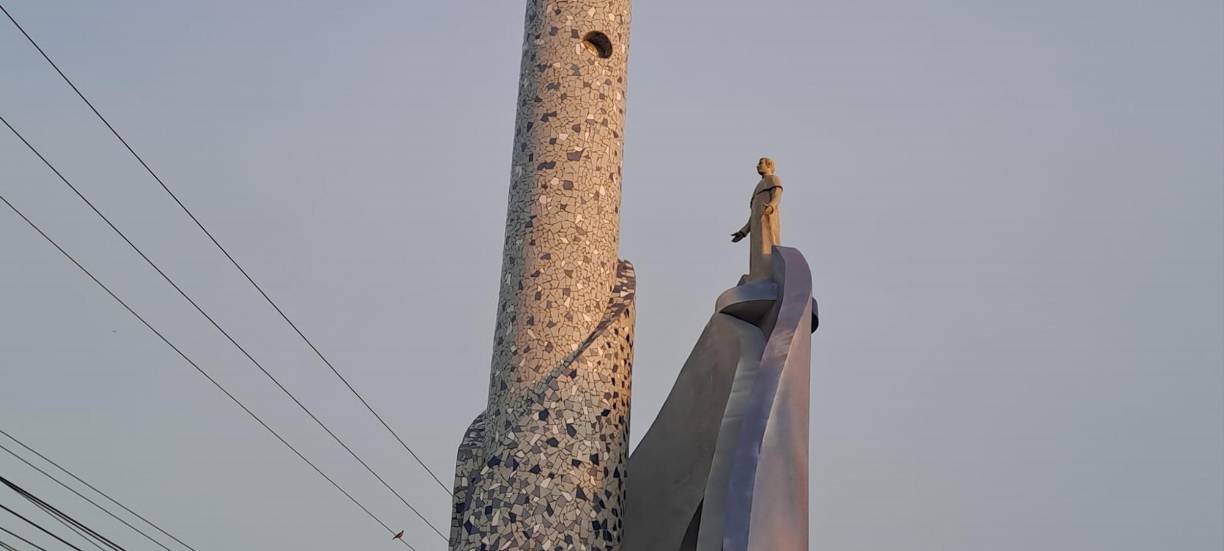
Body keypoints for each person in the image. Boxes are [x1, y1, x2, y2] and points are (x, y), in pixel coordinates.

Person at [731, 157, 783, 281]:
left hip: (767, 221)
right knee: (756, 252)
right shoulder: (759, 186)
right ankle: (757, 276)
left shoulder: (773, 179)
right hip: (756, 226)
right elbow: (753, 215)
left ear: (769, 165)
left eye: (761, 163)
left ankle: (769, 275)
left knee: (767, 247)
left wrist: (771, 206)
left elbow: (777, 196)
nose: (757, 166)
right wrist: (743, 232)